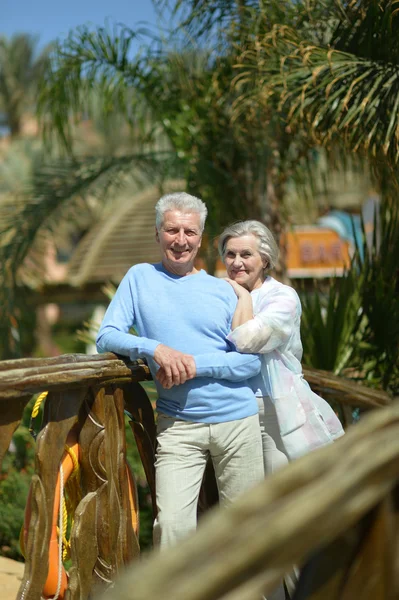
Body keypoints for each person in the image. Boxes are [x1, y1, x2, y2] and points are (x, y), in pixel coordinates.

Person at [96, 193, 264, 549]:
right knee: (171, 529)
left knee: (246, 534)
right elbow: (106, 336)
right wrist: (154, 348)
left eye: (190, 231)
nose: (180, 240)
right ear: (157, 234)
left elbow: (250, 361)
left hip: (238, 422)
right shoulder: (139, 278)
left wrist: (189, 364)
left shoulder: (224, 291)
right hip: (178, 425)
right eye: (172, 230)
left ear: (200, 238)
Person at [218, 220, 345, 474]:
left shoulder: (282, 296)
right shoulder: (220, 294)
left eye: (246, 254)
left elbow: (247, 340)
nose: (236, 262)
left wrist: (243, 296)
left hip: (272, 410)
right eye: (230, 254)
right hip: (227, 408)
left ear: (265, 260)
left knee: (279, 497)